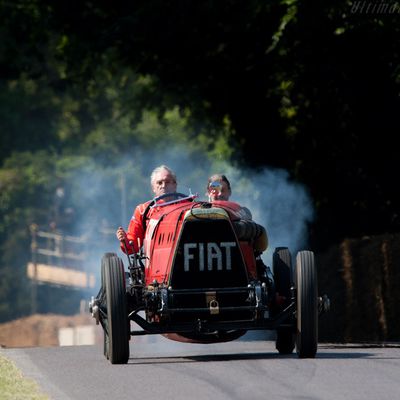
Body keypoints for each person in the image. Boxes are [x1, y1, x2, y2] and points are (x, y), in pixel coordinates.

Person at [116, 165, 178, 254]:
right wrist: (125, 240)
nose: (163, 186)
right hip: (156, 261)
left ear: (174, 185)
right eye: (159, 183)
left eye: (167, 182)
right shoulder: (143, 210)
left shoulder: (189, 207)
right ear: (153, 188)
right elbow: (132, 245)